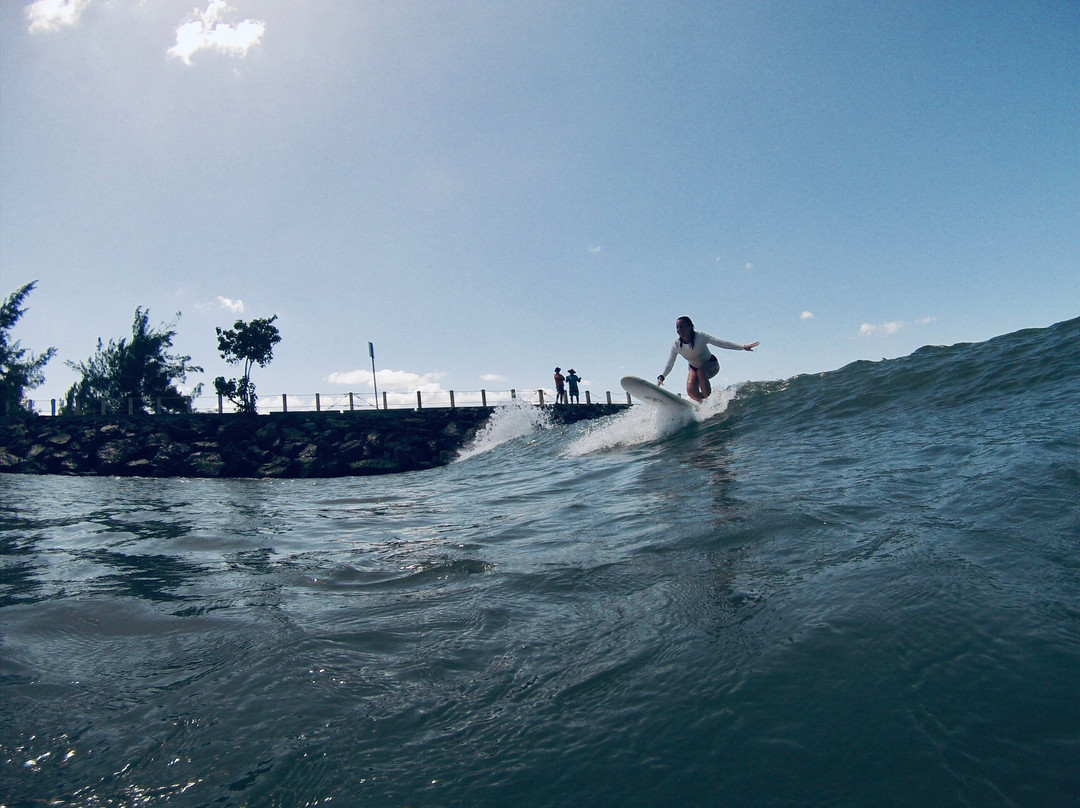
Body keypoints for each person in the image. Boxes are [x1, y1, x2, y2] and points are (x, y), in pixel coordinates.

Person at [657, 316, 758, 403]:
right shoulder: (676, 345)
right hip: (693, 368)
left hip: (711, 364)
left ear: (690, 327)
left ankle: (708, 400)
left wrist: (742, 347)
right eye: (677, 327)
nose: (679, 329)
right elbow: (670, 363)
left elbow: (721, 343)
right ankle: (704, 404)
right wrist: (662, 376)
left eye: (682, 326)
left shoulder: (701, 337)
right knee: (691, 391)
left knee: (701, 371)